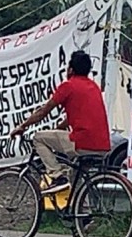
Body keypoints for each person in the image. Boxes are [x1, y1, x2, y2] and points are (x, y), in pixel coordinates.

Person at [10, 50, 111, 194]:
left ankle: (56, 175)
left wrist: (22, 126)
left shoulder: (68, 86)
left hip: (83, 142)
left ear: (71, 69)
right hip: (103, 145)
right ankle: (83, 214)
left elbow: (43, 112)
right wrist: (57, 129)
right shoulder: (94, 87)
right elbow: (77, 116)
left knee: (38, 138)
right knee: (77, 178)